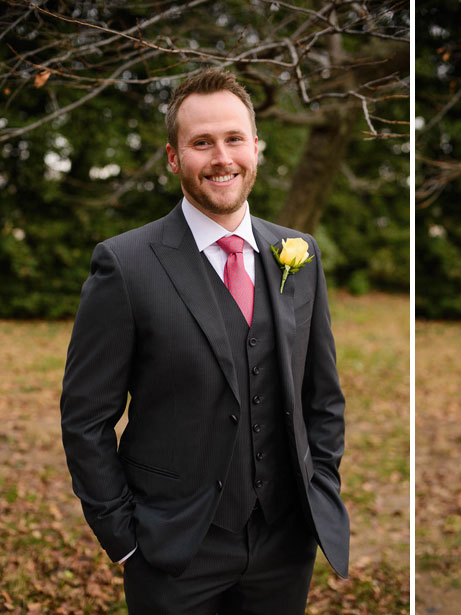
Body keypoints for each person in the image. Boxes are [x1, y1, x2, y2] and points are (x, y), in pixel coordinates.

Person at [60, 68, 348, 614]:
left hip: (285, 543)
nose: (222, 157)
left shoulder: (298, 253)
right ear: (174, 157)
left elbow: (323, 395)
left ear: (256, 147)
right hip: (173, 549)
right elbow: (85, 417)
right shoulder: (124, 264)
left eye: (234, 138)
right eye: (202, 142)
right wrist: (124, 540)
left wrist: (321, 486)